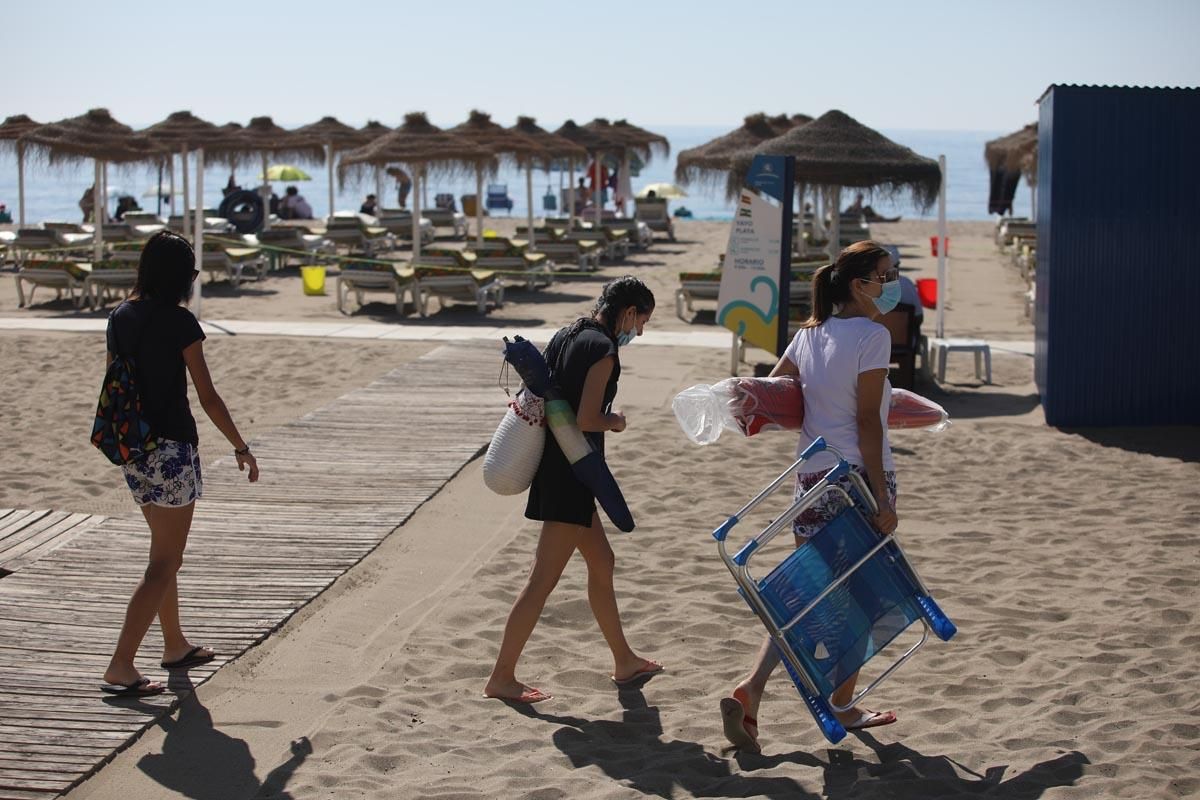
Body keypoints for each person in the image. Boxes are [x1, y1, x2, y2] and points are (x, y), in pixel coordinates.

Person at [721, 240, 901, 751]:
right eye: (885, 275)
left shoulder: (809, 334)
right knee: (865, 599)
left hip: (810, 477)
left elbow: (778, 391)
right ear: (859, 284)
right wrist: (882, 499)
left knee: (808, 593)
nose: (891, 284)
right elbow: (867, 420)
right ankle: (842, 705)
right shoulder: (873, 336)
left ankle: (753, 689)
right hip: (856, 478)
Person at [484, 276, 662, 704]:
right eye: (641, 322)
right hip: (572, 475)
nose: (639, 332)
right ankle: (502, 677)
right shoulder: (604, 349)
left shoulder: (568, 334)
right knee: (541, 580)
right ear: (628, 312)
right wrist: (615, 421)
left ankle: (624, 660)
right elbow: (586, 419)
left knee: (602, 562)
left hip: (559, 466)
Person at [100, 231, 260, 697]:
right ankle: (121, 664)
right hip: (171, 451)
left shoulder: (119, 316)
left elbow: (114, 382)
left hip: (134, 448)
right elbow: (208, 396)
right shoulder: (180, 322)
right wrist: (241, 446)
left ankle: (174, 644)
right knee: (166, 561)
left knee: (163, 554)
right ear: (181, 278)